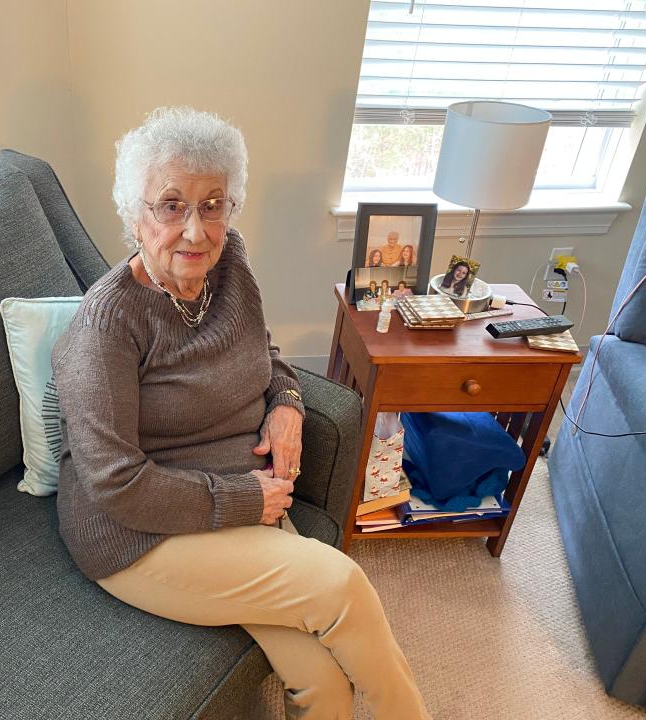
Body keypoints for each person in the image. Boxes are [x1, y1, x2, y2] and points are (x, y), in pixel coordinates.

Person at [52, 107, 429, 720]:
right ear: (134, 215)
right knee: (342, 587)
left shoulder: (229, 266)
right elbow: (113, 483)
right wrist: (244, 501)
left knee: (325, 688)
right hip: (139, 533)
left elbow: (262, 355)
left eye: (213, 204)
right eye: (171, 205)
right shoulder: (107, 325)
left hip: (238, 500)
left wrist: (286, 402)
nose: (195, 230)